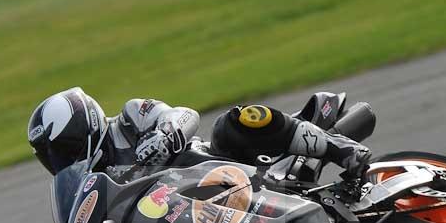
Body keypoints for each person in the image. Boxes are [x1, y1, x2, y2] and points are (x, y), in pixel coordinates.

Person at [27, 87, 372, 182]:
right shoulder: (93, 184)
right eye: (52, 158)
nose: (62, 161)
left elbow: (184, 115)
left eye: (65, 149)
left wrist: (166, 134)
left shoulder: (130, 117)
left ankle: (341, 149)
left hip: (221, 167)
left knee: (234, 122)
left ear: (84, 128)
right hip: (192, 214)